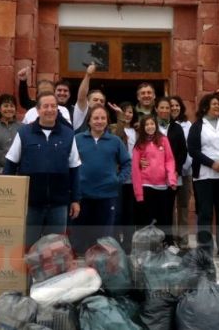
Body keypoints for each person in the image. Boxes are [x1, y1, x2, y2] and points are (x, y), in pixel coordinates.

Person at [4, 92, 82, 247]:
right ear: (38, 110)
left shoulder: (68, 134)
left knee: (56, 249)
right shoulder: (24, 133)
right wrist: (9, 200)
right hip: (30, 203)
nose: (50, 110)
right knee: (26, 245)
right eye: (45, 106)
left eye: (54, 106)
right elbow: (10, 165)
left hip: (59, 204)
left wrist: (75, 200)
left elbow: (75, 168)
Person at [73, 106, 132, 253]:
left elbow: (127, 163)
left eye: (103, 118)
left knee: (103, 239)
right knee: (80, 237)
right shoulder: (77, 139)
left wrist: (118, 180)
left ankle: (101, 269)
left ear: (107, 121)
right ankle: (81, 272)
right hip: (83, 196)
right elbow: (70, 163)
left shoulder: (115, 141)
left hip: (107, 196)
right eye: (96, 118)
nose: (99, 121)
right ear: (89, 121)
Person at [188, 93, 219, 258]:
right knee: (205, 212)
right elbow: (193, 150)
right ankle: (205, 248)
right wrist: (212, 163)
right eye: (214, 103)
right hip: (205, 174)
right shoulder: (197, 126)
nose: (218, 106)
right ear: (205, 107)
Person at [131, 115, 177, 246]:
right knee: (147, 219)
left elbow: (169, 160)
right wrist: (138, 193)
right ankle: (147, 248)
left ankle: (167, 246)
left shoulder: (163, 140)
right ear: (142, 127)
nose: (150, 127)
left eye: (152, 124)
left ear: (156, 125)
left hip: (162, 186)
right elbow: (135, 169)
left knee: (164, 218)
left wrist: (171, 179)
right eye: (146, 124)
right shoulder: (139, 145)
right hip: (146, 186)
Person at [111, 101, 138, 250]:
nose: (127, 115)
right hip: (119, 174)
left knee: (130, 212)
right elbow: (117, 137)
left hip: (134, 178)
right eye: (124, 111)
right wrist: (120, 119)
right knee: (117, 211)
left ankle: (128, 243)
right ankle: (115, 241)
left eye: (130, 112)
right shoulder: (113, 128)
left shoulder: (137, 131)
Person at [169, 95, 193, 249]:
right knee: (169, 207)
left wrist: (183, 166)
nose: (174, 108)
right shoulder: (162, 125)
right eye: (171, 106)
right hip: (169, 173)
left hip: (185, 171)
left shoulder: (187, 124)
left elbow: (190, 147)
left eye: (177, 105)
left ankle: (183, 240)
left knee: (183, 206)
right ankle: (170, 238)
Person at [72, 62, 107, 132]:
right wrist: (88, 75)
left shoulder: (105, 119)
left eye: (102, 101)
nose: (99, 102)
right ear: (87, 101)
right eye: (95, 100)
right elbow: (81, 97)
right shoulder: (82, 113)